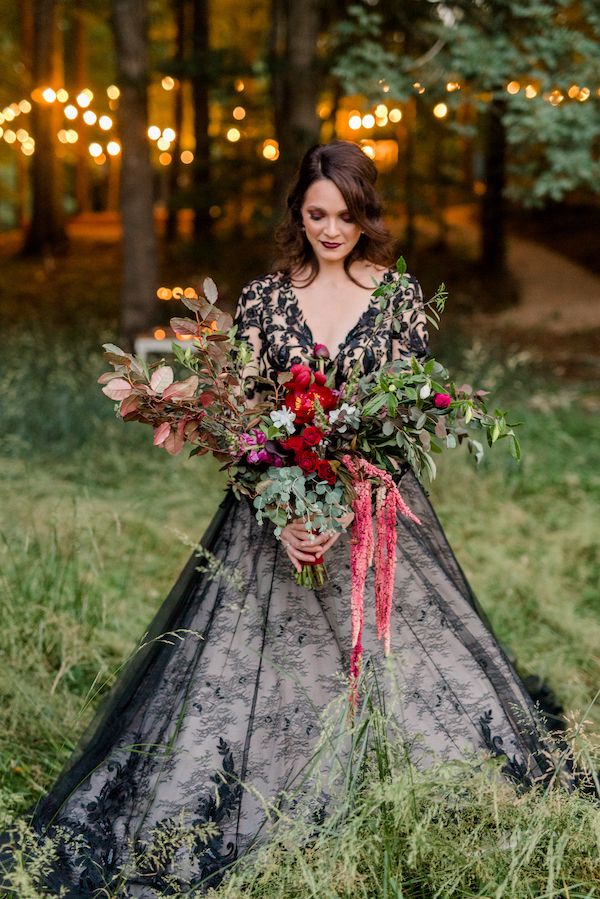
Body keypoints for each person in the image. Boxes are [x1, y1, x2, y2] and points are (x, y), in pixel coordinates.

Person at [3, 141, 560, 897]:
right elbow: (246, 420)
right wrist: (287, 511)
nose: (333, 230)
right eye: (318, 214)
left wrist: (347, 502)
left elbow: (410, 422)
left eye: (348, 215)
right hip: (274, 511)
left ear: (369, 215)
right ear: (298, 213)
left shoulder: (397, 296)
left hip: (367, 512)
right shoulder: (265, 299)